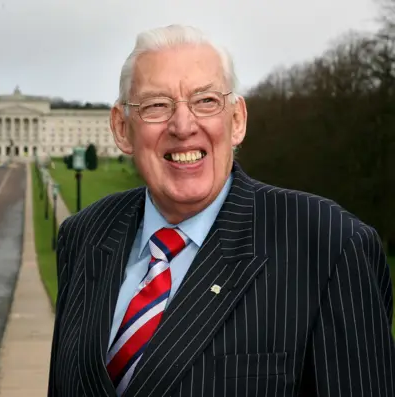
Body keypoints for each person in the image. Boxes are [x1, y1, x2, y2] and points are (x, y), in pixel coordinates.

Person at [47, 24, 395, 396]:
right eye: (156, 106)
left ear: (237, 120)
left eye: (206, 101)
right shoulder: (84, 235)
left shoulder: (329, 246)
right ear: (121, 128)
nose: (183, 126)